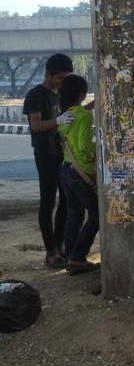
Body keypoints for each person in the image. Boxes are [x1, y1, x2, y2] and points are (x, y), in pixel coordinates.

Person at [23, 54, 75, 268]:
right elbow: (35, 126)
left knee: (66, 201)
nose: (63, 82)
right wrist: (57, 121)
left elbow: (71, 113)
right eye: (60, 78)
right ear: (48, 74)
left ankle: (60, 245)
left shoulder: (61, 94)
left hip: (63, 153)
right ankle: (51, 252)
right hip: (45, 155)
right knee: (48, 202)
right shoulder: (36, 95)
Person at [57, 74, 100, 275]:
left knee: (74, 215)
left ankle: (69, 257)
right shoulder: (83, 116)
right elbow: (84, 147)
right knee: (96, 215)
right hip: (80, 173)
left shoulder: (64, 116)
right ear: (82, 94)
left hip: (66, 169)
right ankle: (77, 257)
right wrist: (98, 146)